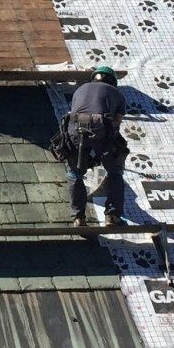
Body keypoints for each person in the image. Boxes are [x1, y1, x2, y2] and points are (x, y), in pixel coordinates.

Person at [59, 65, 129, 227]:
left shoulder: (81, 89)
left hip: (75, 130)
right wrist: (107, 152)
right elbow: (116, 124)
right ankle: (112, 217)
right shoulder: (117, 94)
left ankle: (78, 217)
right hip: (103, 129)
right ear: (112, 82)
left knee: (74, 173)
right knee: (115, 171)